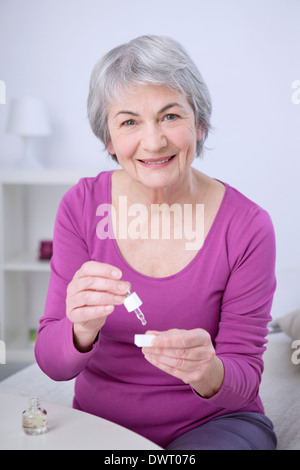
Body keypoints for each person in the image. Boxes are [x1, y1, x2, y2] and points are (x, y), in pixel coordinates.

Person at [35, 35, 277, 450]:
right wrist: (80, 330)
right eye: (129, 122)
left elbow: (243, 380)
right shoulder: (82, 206)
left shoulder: (247, 226)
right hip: (102, 428)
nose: (153, 142)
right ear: (109, 139)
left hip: (217, 425)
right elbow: (54, 365)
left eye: (170, 116)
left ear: (199, 124)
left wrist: (208, 370)